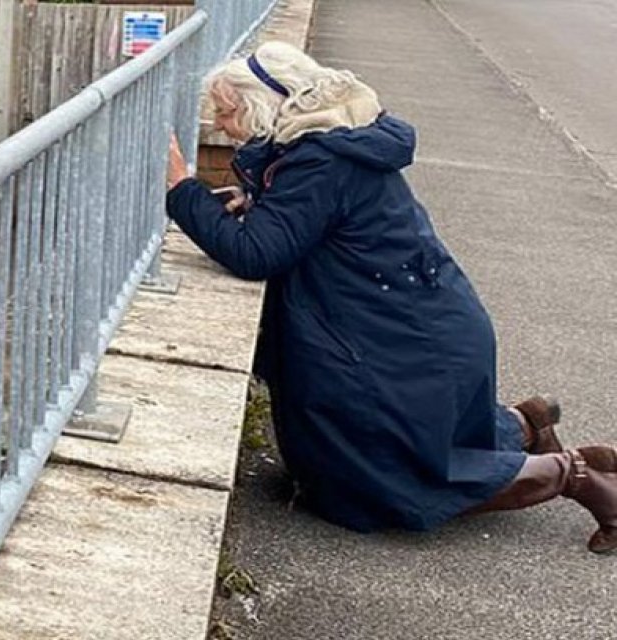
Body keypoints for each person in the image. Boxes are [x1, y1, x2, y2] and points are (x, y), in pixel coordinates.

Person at [164, 41, 617, 553]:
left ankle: (576, 476)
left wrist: (182, 188)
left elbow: (254, 255)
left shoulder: (319, 163)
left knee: (381, 482)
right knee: (375, 458)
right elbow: (314, 218)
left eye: (226, 111)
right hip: (421, 323)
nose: (220, 126)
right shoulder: (327, 142)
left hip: (402, 340)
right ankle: (525, 426)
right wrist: (258, 199)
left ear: (264, 106)